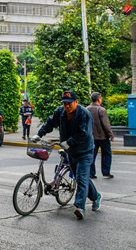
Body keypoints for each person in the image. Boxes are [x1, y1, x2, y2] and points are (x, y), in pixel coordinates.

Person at [32, 90, 101, 220]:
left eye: (69, 104)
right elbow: (50, 123)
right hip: (71, 151)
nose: (67, 106)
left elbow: (84, 134)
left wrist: (68, 142)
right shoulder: (61, 112)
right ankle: (96, 196)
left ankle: (80, 207)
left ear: (76, 102)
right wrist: (39, 134)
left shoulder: (83, 114)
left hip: (84, 150)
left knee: (81, 177)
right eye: (64, 104)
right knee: (81, 177)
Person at [88, 92, 115, 179]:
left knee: (92, 154)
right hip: (102, 136)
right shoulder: (101, 110)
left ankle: (91, 173)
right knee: (106, 154)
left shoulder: (87, 109)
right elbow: (106, 124)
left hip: (91, 136)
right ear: (99, 99)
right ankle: (106, 172)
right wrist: (111, 135)